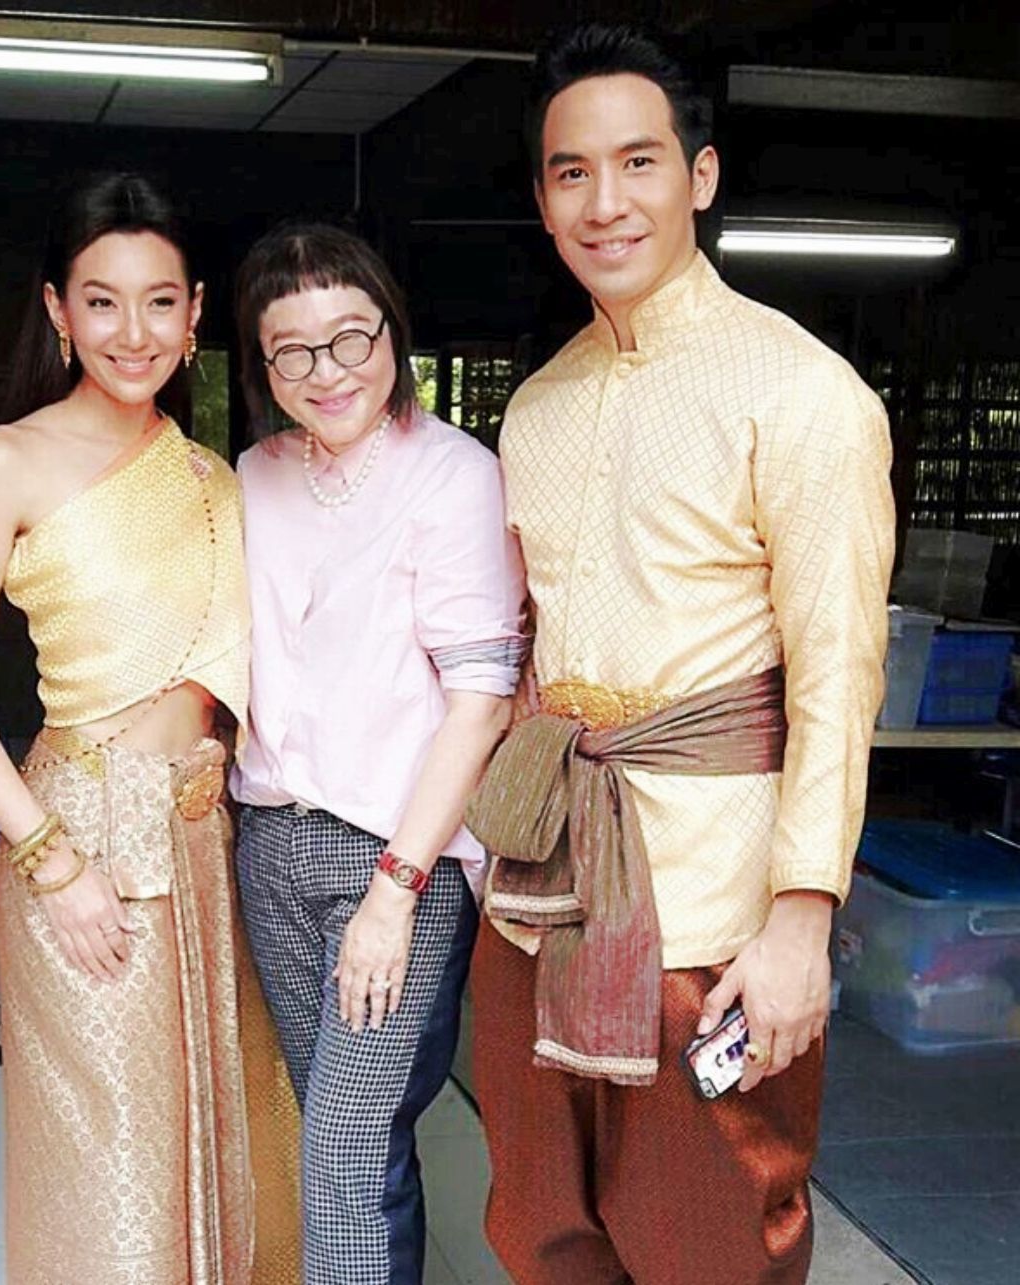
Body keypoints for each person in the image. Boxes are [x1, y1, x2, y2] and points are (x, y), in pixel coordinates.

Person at [470, 23, 895, 1285]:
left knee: (710, 1236)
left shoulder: (805, 393)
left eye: (637, 162)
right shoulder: (533, 403)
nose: (604, 203)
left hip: (709, 906)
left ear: (698, 177)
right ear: (543, 197)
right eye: (568, 172)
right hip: (540, 886)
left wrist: (799, 921)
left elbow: (836, 677)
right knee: (539, 1222)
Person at [0, 173, 297, 1285]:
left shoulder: (212, 476)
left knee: (225, 1113)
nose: (134, 332)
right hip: (75, 835)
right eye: (102, 301)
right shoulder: (6, 462)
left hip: (206, 832)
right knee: (114, 1154)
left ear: (194, 313)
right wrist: (50, 858)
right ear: (55, 310)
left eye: (160, 302)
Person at [230, 223, 528, 1285]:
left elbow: (481, 697)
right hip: (268, 846)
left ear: (391, 333)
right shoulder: (252, 476)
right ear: (262, 366)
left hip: (396, 861)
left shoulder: (453, 477)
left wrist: (394, 891)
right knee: (339, 1134)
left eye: (351, 336)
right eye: (293, 350)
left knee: (346, 1154)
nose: (329, 371)